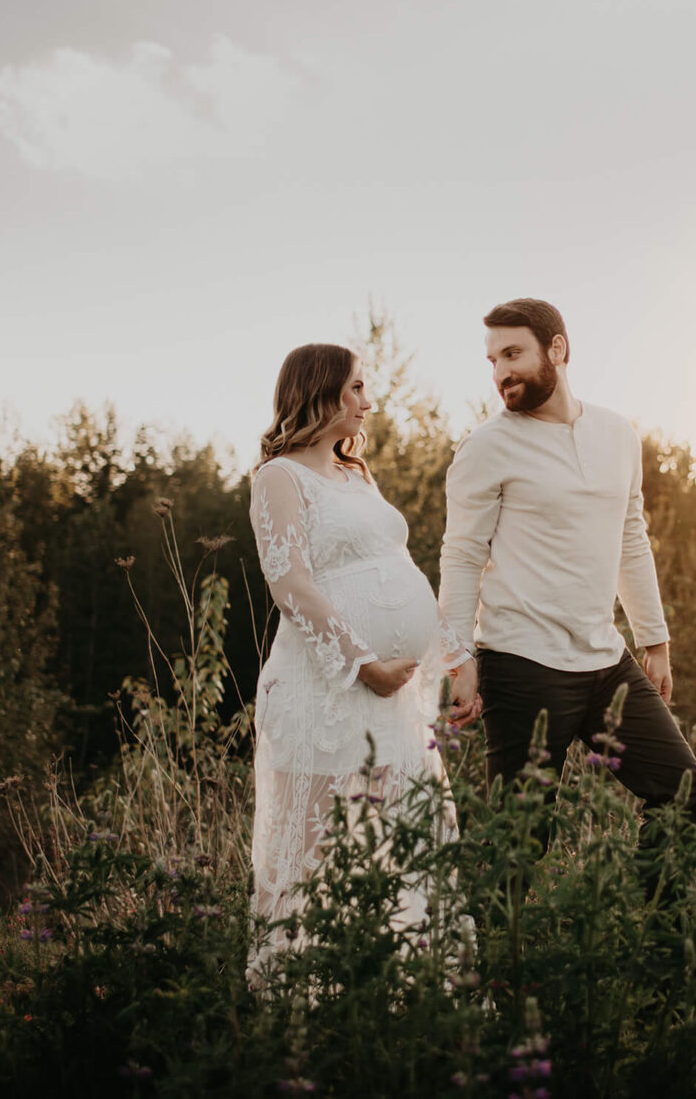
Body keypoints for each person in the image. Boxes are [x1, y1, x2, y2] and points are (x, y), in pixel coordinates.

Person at [245, 343, 479, 978]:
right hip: (324, 688)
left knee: (401, 841)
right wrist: (361, 664)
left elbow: (400, 570)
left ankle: (406, 987)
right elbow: (290, 584)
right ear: (318, 393)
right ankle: (297, 994)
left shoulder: (357, 475)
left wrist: (456, 658)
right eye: (354, 388)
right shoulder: (279, 478)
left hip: (394, 703)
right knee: (316, 852)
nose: (366, 402)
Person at [439, 298, 696, 838]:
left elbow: (630, 535)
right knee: (518, 841)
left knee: (683, 791)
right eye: (492, 360)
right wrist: (458, 657)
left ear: (557, 349)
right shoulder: (486, 447)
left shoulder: (617, 433)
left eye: (512, 354)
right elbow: (462, 554)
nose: (500, 372)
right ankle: (501, 902)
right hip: (521, 663)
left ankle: (652, 898)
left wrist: (654, 641)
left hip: (604, 659)